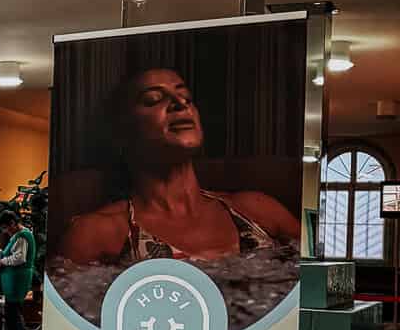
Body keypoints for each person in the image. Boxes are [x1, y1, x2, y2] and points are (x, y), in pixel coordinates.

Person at [60, 67, 300, 265]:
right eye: (153, 99)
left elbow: (321, 276)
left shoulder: (257, 210)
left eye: (187, 98)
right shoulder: (97, 233)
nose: (179, 104)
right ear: (122, 131)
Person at [0, 210, 35, 330]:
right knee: (11, 314)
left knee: (14, 314)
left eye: (6, 228)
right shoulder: (18, 235)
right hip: (12, 280)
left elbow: (19, 258)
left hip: (17, 280)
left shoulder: (23, 236)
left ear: (13, 223)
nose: (5, 231)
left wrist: (1, 261)